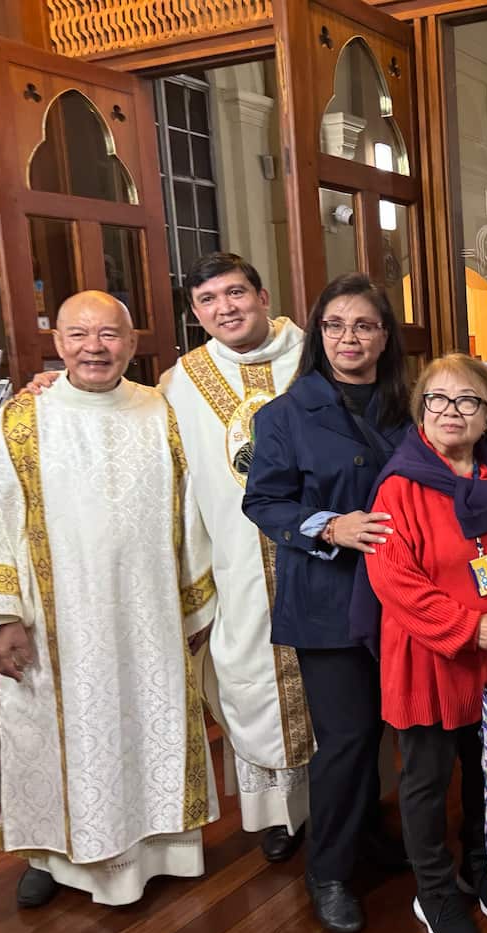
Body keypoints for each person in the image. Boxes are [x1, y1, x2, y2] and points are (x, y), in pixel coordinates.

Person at [0, 291, 218, 907]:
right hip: (53, 622)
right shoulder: (20, 420)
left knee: (149, 724)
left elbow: (192, 509)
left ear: (132, 343)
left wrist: (194, 601)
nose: (94, 347)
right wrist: (1, 617)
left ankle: (161, 849)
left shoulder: (161, 412)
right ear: (57, 343)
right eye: (79, 335)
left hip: (149, 615)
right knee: (53, 735)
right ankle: (52, 855)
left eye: (109, 334)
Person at [359, 353, 487, 933]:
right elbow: (395, 581)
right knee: (425, 781)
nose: (452, 411)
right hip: (428, 653)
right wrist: (470, 628)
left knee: (484, 769)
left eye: (467, 400)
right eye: (438, 400)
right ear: (421, 410)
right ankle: (434, 891)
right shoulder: (399, 484)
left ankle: (480, 864)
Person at [242, 273, 412, 933]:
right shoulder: (285, 414)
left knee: (386, 729)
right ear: (319, 334)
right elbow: (264, 501)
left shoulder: (410, 406)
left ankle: (365, 834)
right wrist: (330, 526)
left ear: (385, 337)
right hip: (329, 597)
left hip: (402, 597)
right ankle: (330, 871)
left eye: (364, 325)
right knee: (346, 737)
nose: (349, 337)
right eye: (335, 325)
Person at [160, 252, 313, 864]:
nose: (225, 308)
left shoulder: (312, 356)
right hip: (238, 564)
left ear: (262, 296)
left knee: (339, 684)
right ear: (196, 314)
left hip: (322, 554)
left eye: (236, 293)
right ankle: (276, 815)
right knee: (252, 682)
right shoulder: (181, 381)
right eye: (208, 300)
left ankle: (347, 804)